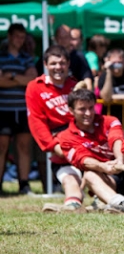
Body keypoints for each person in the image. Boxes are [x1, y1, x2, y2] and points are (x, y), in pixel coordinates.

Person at [56, 89, 124, 213]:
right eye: (82, 109)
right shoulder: (65, 137)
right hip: (105, 179)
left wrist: (119, 160)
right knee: (89, 175)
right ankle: (120, 203)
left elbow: (116, 139)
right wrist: (103, 167)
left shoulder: (110, 121)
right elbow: (83, 160)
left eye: (91, 108)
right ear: (71, 111)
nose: (88, 113)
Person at [26, 45, 84, 209]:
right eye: (53, 63)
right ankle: (72, 199)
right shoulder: (35, 87)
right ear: (45, 64)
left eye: (62, 63)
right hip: (57, 139)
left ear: (68, 64)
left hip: (81, 137)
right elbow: (36, 121)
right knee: (68, 174)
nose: (58, 67)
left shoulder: (75, 86)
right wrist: (53, 146)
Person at [0, 23, 37, 194]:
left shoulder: (27, 57)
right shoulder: (1, 56)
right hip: (4, 109)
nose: (19, 40)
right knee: (2, 146)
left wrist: (12, 76)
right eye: (16, 36)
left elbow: (32, 80)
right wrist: (20, 79)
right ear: (9, 37)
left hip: (23, 109)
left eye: (22, 37)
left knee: (23, 146)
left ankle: (24, 184)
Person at [36, 25, 94, 90]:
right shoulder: (48, 55)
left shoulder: (78, 57)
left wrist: (88, 95)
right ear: (56, 38)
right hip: (50, 93)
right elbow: (37, 76)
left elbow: (87, 78)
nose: (63, 40)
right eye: (60, 37)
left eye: (65, 37)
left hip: (73, 94)